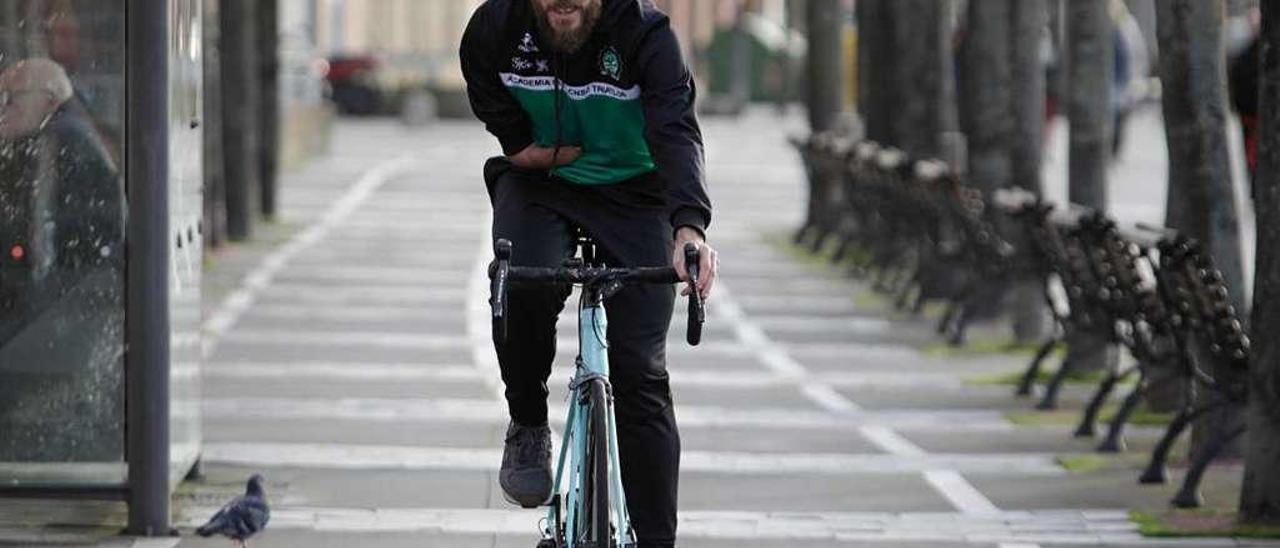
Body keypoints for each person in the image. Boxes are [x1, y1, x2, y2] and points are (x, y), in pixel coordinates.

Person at [460, 1, 718, 546]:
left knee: (641, 372)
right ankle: (528, 423)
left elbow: (676, 128)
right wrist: (516, 142)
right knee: (523, 280)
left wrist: (689, 227)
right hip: (542, 184)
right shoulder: (498, 25)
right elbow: (478, 68)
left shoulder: (646, 35)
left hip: (636, 194)